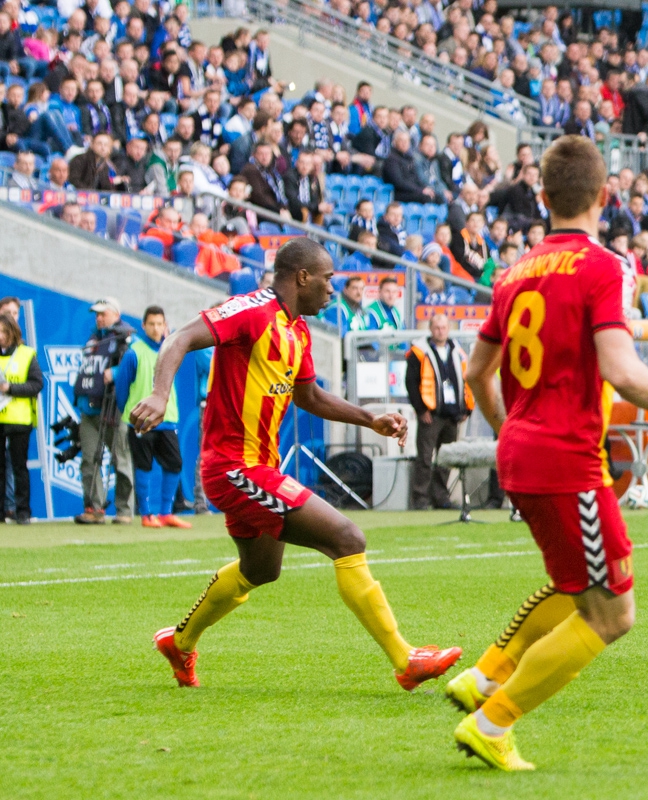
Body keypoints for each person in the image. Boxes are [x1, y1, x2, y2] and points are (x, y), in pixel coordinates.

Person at [452, 134, 648, 771]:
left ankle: (485, 678)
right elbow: (620, 368)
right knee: (612, 611)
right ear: (605, 195)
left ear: (542, 196)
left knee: (577, 588)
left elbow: (477, 372)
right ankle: (493, 721)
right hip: (567, 458)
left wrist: (510, 428)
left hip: (521, 451)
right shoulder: (602, 267)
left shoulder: (514, 272)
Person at [131, 238, 461, 692]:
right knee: (347, 537)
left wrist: (369, 419)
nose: (332, 289)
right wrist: (158, 393)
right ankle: (406, 660)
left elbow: (310, 396)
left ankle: (180, 642)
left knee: (260, 569)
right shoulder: (250, 311)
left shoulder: (298, 330)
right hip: (234, 467)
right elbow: (180, 338)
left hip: (259, 467)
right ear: (302, 277)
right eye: (328, 279)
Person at [114, 306, 191, 529]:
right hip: (142, 420)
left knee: (175, 464)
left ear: (165, 325)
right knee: (143, 466)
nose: (156, 328)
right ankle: (146, 514)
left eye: (159, 324)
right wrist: (130, 412)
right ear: (144, 326)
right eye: (152, 324)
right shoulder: (134, 352)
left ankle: (166, 513)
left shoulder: (171, 349)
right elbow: (122, 387)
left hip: (167, 418)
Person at [73, 298, 136, 525]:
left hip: (114, 408)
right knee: (89, 460)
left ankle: (124, 510)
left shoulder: (126, 337)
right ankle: (93, 508)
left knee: (120, 459)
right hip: (88, 408)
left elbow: (136, 363)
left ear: (116, 315)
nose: (99, 318)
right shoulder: (93, 339)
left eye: (103, 314)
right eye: (97, 314)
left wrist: (116, 373)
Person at [405, 313, 473, 510]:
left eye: (443, 328)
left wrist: (466, 408)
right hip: (431, 414)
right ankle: (420, 499)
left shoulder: (457, 351)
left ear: (448, 329)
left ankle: (441, 497)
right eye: (436, 328)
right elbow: (411, 383)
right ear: (430, 329)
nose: (440, 331)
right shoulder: (419, 352)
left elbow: (466, 379)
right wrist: (421, 409)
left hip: (452, 414)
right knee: (425, 458)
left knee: (446, 459)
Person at [0, 313, 42, 524]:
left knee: (19, 467)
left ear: (12, 333)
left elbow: (36, 384)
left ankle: (23, 511)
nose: (0, 336)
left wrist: (11, 388)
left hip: (19, 418)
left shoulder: (26, 354)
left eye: (3, 332)